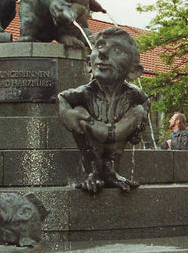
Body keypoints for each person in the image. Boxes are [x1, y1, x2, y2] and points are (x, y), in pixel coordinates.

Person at [58, 27, 150, 193]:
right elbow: (62, 98)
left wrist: (138, 124)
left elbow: (145, 101)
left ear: (134, 71)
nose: (103, 53)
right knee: (78, 111)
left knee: (136, 111)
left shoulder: (132, 94)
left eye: (117, 50)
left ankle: (110, 171)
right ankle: (93, 171)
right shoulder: (84, 93)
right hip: (92, 134)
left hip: (117, 133)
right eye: (99, 46)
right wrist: (69, 116)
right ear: (89, 64)